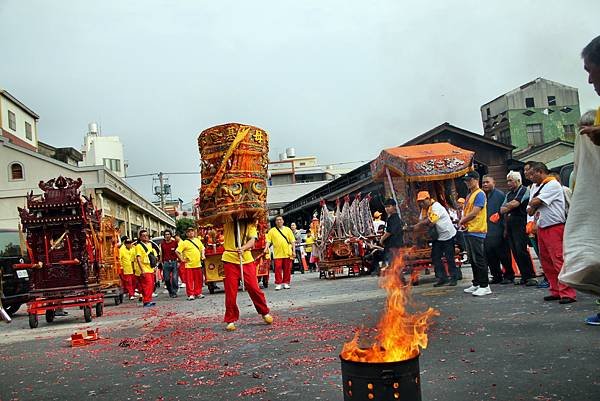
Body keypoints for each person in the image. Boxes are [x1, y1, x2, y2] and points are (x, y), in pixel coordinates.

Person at [527, 162, 576, 304]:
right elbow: (530, 206)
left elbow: (535, 202)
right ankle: (555, 290)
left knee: (558, 260)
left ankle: (567, 292)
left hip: (555, 226)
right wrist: (534, 204)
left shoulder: (552, 184)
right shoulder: (535, 187)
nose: (530, 177)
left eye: (532, 174)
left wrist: (534, 204)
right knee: (547, 262)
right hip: (542, 227)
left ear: (541, 172)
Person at [221, 218, 272, 331]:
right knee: (231, 291)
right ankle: (230, 319)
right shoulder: (227, 221)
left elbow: (252, 240)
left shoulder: (251, 223)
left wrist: (243, 248)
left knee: (254, 288)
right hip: (229, 258)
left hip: (246, 259)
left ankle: (264, 312)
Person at [500, 171, 538, 286]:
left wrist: (509, 206)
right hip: (510, 225)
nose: (509, 183)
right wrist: (509, 206)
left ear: (518, 181)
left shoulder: (523, 190)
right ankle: (524, 276)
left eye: (511, 180)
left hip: (520, 223)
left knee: (521, 250)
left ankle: (530, 276)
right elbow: (502, 209)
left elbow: (515, 204)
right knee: (515, 251)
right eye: (508, 180)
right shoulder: (509, 194)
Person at [412, 191, 458, 287]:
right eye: (419, 202)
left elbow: (430, 220)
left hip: (447, 235)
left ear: (428, 199)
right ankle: (442, 278)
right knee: (435, 257)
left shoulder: (436, 207)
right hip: (437, 237)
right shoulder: (425, 209)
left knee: (449, 258)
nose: (421, 204)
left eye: (422, 201)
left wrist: (418, 225)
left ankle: (454, 278)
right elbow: (422, 220)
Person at [459, 171, 491, 296]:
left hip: (477, 230)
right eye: (466, 180)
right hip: (469, 229)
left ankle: (485, 285)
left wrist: (463, 220)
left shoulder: (480, 194)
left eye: (469, 180)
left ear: (476, 180)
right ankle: (477, 282)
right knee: (472, 259)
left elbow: (475, 212)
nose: (467, 182)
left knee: (479, 259)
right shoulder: (469, 195)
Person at [482, 175, 514, 284]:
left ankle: (509, 275)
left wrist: (505, 228)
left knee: (503, 254)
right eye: (483, 183)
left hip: (498, 229)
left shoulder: (499, 195)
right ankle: (496, 275)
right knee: (490, 254)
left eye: (487, 182)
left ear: (494, 183)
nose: (485, 184)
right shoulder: (483, 196)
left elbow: (505, 212)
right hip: (487, 230)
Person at [264, 216, 295, 290]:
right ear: (275, 222)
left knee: (287, 268)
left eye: (280, 220)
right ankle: (278, 283)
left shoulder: (288, 230)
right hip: (277, 253)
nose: (279, 221)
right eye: (277, 220)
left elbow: (292, 241)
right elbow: (268, 241)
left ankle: (286, 282)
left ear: (283, 221)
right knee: (277, 268)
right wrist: (266, 248)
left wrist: (293, 251)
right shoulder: (272, 231)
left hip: (287, 252)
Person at [176, 227, 206, 300]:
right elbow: (177, 251)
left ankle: (198, 293)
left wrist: (202, 255)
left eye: (192, 231)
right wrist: (182, 259)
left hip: (198, 264)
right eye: (189, 232)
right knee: (189, 281)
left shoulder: (197, 240)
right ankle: (191, 294)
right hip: (188, 265)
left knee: (198, 280)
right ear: (186, 234)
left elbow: (202, 248)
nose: (191, 233)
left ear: (194, 232)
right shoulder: (184, 242)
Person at [135, 229, 158, 307]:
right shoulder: (138, 246)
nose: (145, 237)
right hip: (144, 269)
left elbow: (152, 257)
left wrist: (154, 267)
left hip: (150, 268)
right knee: (147, 285)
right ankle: (146, 301)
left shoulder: (149, 244)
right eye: (143, 236)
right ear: (140, 237)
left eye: (146, 235)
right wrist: (142, 270)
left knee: (151, 285)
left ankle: (149, 300)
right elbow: (138, 258)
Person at [379, 198, 404, 268]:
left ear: (394, 206)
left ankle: (398, 278)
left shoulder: (394, 218)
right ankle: (398, 278)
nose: (387, 209)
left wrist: (381, 239)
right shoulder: (391, 217)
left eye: (388, 206)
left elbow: (389, 231)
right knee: (394, 263)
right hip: (392, 244)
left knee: (394, 263)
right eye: (385, 207)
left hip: (394, 244)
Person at [160, 229, 180, 298]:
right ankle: (170, 291)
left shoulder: (175, 243)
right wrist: (161, 262)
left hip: (174, 262)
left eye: (168, 234)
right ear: (164, 236)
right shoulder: (162, 244)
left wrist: (179, 261)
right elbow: (161, 254)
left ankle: (174, 291)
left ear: (171, 235)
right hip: (166, 263)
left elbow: (178, 252)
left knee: (175, 278)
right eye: (166, 235)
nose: (167, 236)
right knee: (167, 279)